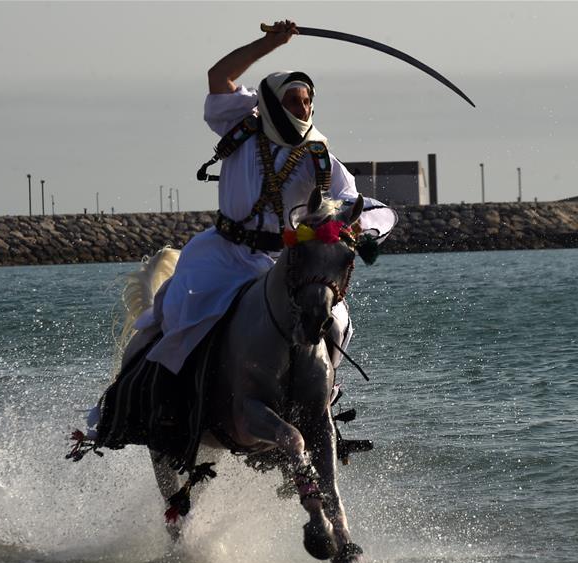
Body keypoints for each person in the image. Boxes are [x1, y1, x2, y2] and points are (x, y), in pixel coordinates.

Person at [132, 19, 397, 377]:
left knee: (336, 324)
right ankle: (139, 401)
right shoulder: (240, 125)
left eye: (307, 101)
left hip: (285, 262)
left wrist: (361, 227)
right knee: (176, 314)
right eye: (293, 101)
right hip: (224, 254)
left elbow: (360, 203)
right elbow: (219, 77)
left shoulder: (317, 155)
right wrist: (270, 44)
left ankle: (324, 397)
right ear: (271, 101)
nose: (302, 109)